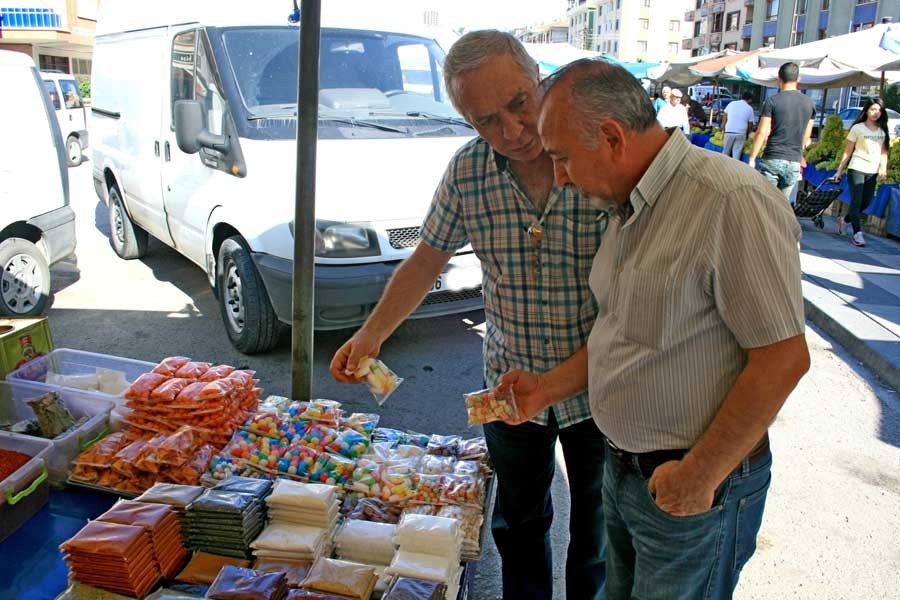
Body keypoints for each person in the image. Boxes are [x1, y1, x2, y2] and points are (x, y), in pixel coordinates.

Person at [500, 58, 810, 599]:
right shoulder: (628, 205)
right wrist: (547, 388)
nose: (560, 178)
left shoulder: (728, 202)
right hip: (623, 475)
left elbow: (783, 359)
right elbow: (621, 335)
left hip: (693, 488)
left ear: (612, 137)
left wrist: (700, 475)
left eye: (563, 159)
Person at [328, 31, 607, 600]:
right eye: (485, 121)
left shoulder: (592, 156)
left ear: (539, 80)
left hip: (598, 382)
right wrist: (371, 335)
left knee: (597, 532)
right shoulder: (467, 172)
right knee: (519, 524)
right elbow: (426, 258)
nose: (511, 132)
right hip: (508, 384)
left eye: (518, 104)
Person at [747, 62, 816, 199]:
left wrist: (752, 158)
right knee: (782, 206)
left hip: (773, 157)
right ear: (798, 79)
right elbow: (806, 137)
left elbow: (761, 132)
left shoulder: (772, 101)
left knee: (766, 203)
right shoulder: (809, 103)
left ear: (779, 79)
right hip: (794, 161)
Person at [833, 98, 890, 247]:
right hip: (857, 167)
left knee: (866, 202)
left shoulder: (882, 129)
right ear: (866, 111)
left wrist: (883, 168)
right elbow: (847, 151)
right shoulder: (857, 128)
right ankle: (857, 234)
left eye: (879, 110)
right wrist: (839, 170)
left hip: (873, 170)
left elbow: (884, 152)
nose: (876, 113)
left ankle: (844, 220)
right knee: (856, 201)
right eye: (872, 109)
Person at [722, 92, 756, 160]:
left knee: (725, 153)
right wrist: (747, 134)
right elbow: (750, 124)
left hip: (729, 131)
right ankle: (734, 169)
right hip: (741, 133)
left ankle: (722, 168)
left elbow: (724, 117)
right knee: (736, 155)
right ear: (750, 100)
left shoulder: (732, 104)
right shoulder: (750, 108)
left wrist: (724, 129)